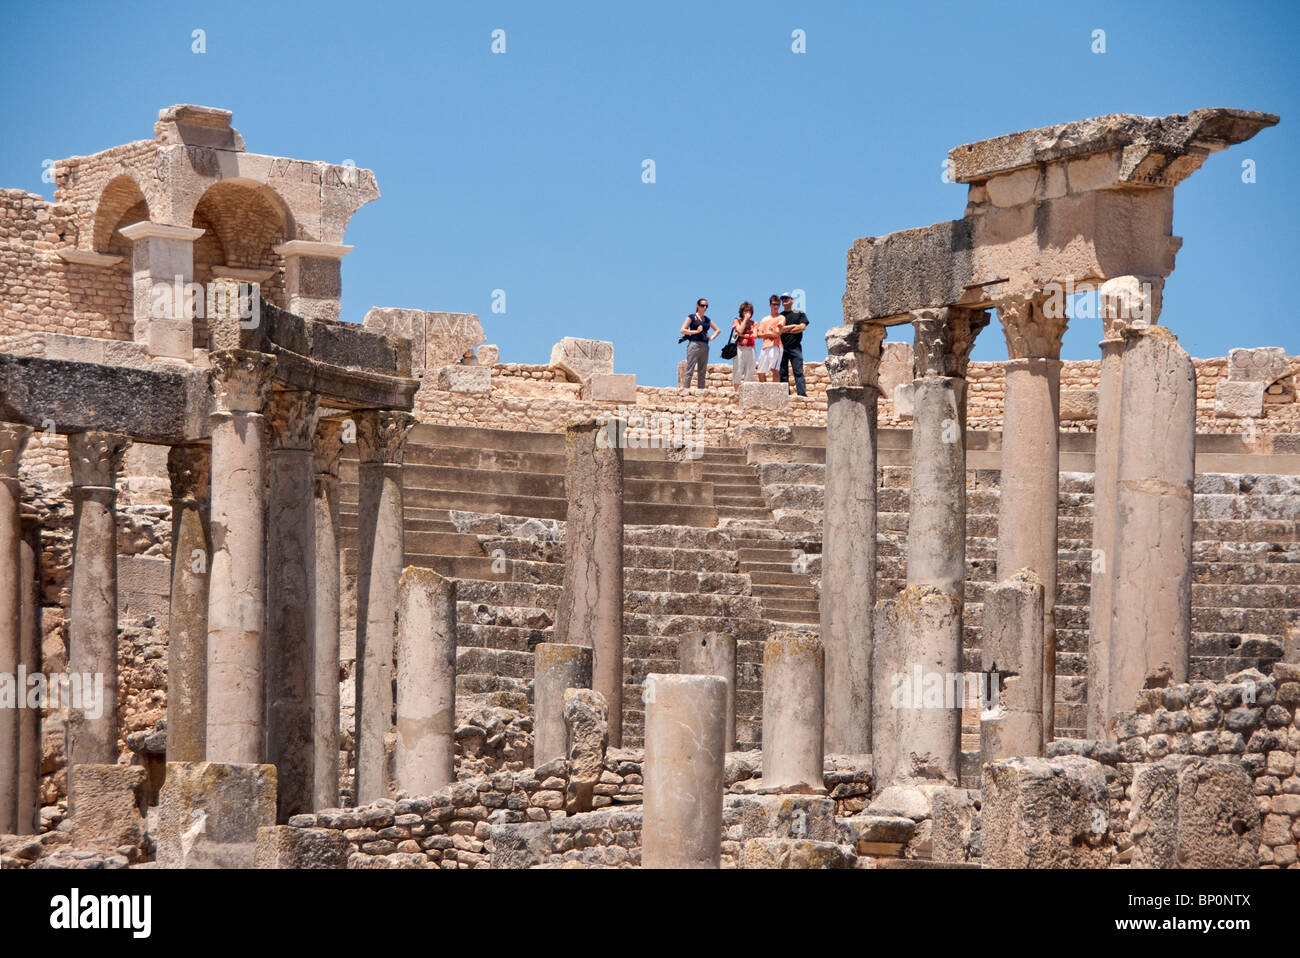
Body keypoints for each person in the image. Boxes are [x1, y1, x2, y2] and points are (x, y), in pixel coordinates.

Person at [679, 297, 719, 389]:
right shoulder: (691, 317)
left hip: (705, 345)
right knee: (690, 369)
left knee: (702, 370)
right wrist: (696, 332)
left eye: (706, 306)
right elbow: (682, 330)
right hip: (694, 344)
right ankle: (686, 390)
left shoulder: (707, 319)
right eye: (702, 305)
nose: (705, 307)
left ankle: (701, 391)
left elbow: (717, 330)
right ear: (698, 306)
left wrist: (712, 338)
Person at [779, 292, 810, 397]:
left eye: (786, 298)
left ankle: (801, 394)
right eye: (782, 299)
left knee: (798, 371)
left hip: (795, 346)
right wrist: (793, 327)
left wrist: (785, 329)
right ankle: (784, 395)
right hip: (782, 347)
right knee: (782, 372)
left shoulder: (800, 313)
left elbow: (802, 327)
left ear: (792, 300)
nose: (784, 300)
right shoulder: (780, 316)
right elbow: (778, 330)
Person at [755, 295, 785, 383]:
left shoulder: (781, 318)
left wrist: (767, 333)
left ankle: (775, 394)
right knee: (760, 371)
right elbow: (758, 335)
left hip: (776, 346)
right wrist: (770, 333)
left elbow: (777, 334)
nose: (776, 307)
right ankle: (763, 393)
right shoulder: (764, 319)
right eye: (774, 304)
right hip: (765, 347)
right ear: (770, 305)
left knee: (774, 369)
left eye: (778, 304)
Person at [731, 302, 757, 386]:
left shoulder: (754, 323)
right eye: (745, 311)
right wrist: (745, 320)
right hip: (739, 348)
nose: (747, 313)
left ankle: (747, 392)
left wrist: (741, 335)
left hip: (750, 348)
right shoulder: (737, 321)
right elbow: (740, 330)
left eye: (749, 311)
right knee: (737, 370)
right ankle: (736, 392)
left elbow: (755, 335)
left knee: (750, 370)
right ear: (742, 312)